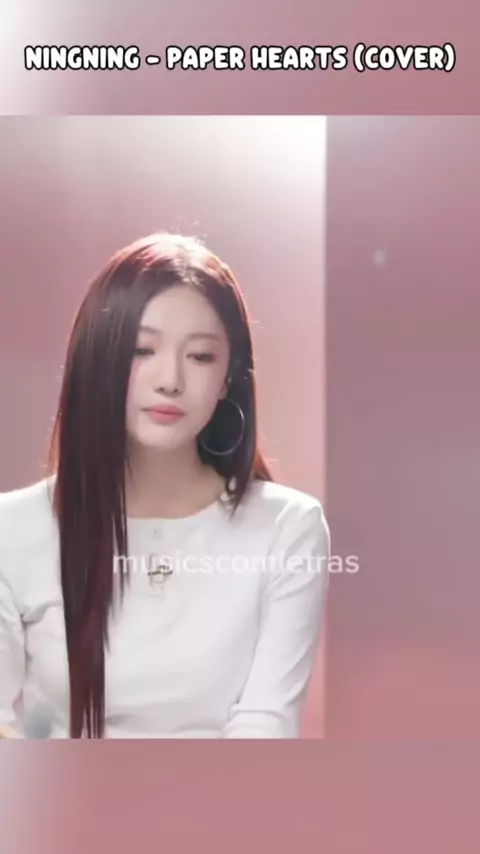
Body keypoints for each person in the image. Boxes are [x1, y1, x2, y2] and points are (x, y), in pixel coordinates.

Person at [0, 232, 330, 739]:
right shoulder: (14, 529)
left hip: (229, 792)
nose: (170, 379)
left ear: (228, 378)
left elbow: (265, 729)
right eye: (142, 349)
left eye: (200, 356)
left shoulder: (287, 528)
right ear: (98, 360)